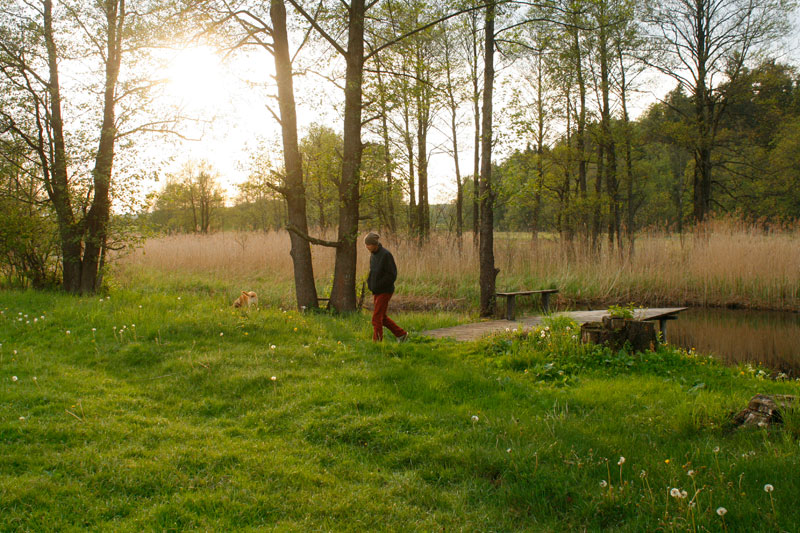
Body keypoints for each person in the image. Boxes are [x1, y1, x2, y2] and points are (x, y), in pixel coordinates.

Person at [365, 232, 408, 343]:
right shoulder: (373, 255)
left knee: (376, 318)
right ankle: (401, 334)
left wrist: (379, 285)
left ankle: (377, 342)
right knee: (382, 317)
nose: (367, 247)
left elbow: (392, 274)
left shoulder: (386, 255)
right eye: (366, 244)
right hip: (376, 290)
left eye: (368, 244)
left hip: (385, 291)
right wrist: (370, 283)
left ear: (375, 244)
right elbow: (372, 272)